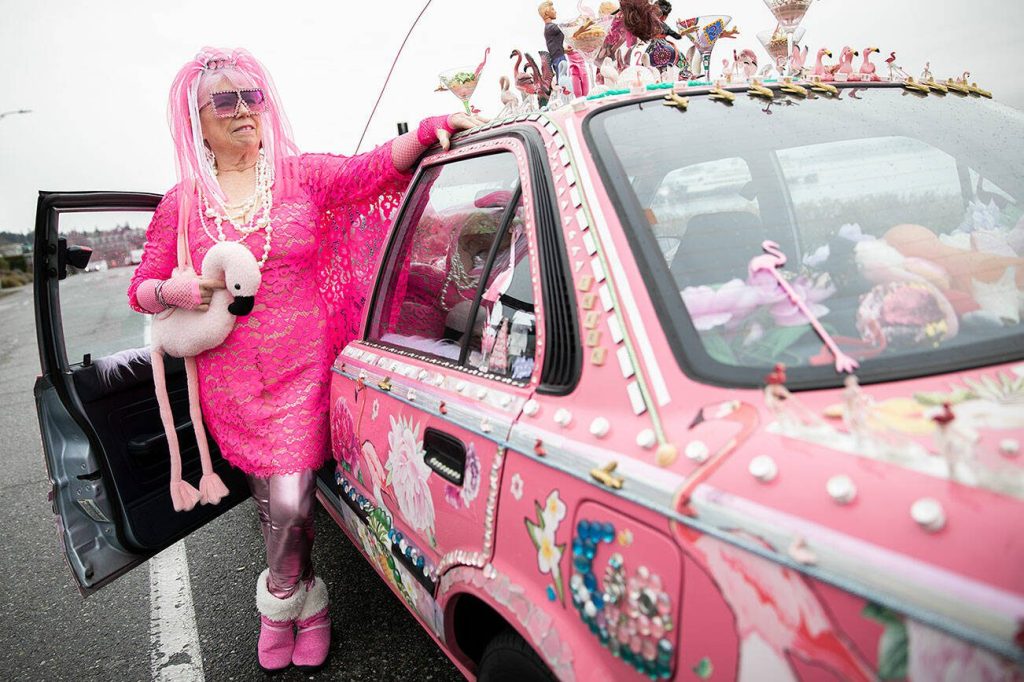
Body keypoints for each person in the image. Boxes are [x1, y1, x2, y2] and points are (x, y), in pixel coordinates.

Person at [126, 47, 482, 673]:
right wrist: (175, 290)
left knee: (291, 502)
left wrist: (427, 132)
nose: (243, 112)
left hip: (303, 371)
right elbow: (141, 288)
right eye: (225, 103)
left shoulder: (299, 177)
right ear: (196, 122)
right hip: (230, 384)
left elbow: (364, 173)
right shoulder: (181, 204)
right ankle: (310, 601)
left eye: (251, 98)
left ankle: (281, 601)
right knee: (273, 506)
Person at [539, 1, 566, 77]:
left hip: (559, 57)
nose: (555, 11)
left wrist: (564, 50)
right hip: (559, 59)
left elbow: (554, 45)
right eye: (552, 9)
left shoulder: (550, 27)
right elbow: (564, 27)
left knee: (563, 79)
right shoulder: (550, 28)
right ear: (547, 13)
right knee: (562, 80)